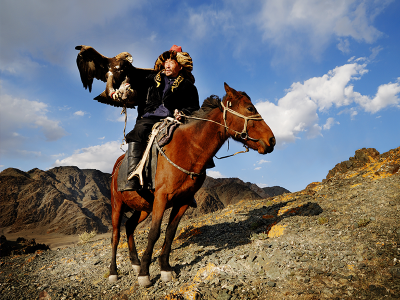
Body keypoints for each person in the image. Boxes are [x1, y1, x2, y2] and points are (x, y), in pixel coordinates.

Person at [123, 45, 200, 191]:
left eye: (172, 61)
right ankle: (133, 175)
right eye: (166, 62)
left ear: (180, 66)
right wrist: (126, 87)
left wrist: (182, 113)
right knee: (138, 131)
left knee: (191, 139)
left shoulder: (188, 87)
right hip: (149, 117)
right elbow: (133, 84)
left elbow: (194, 109)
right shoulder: (150, 79)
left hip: (174, 120)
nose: (167, 64)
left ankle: (189, 186)